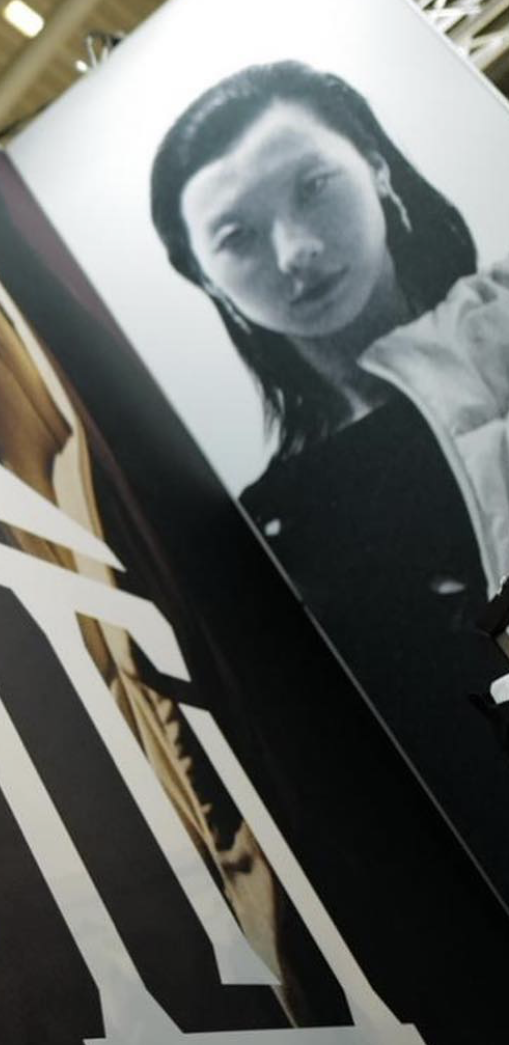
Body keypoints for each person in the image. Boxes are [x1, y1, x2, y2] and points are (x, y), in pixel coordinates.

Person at [148, 59, 509, 827]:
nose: (294, 251)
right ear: (206, 278)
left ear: (376, 167)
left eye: (313, 187)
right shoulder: (272, 531)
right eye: (238, 237)